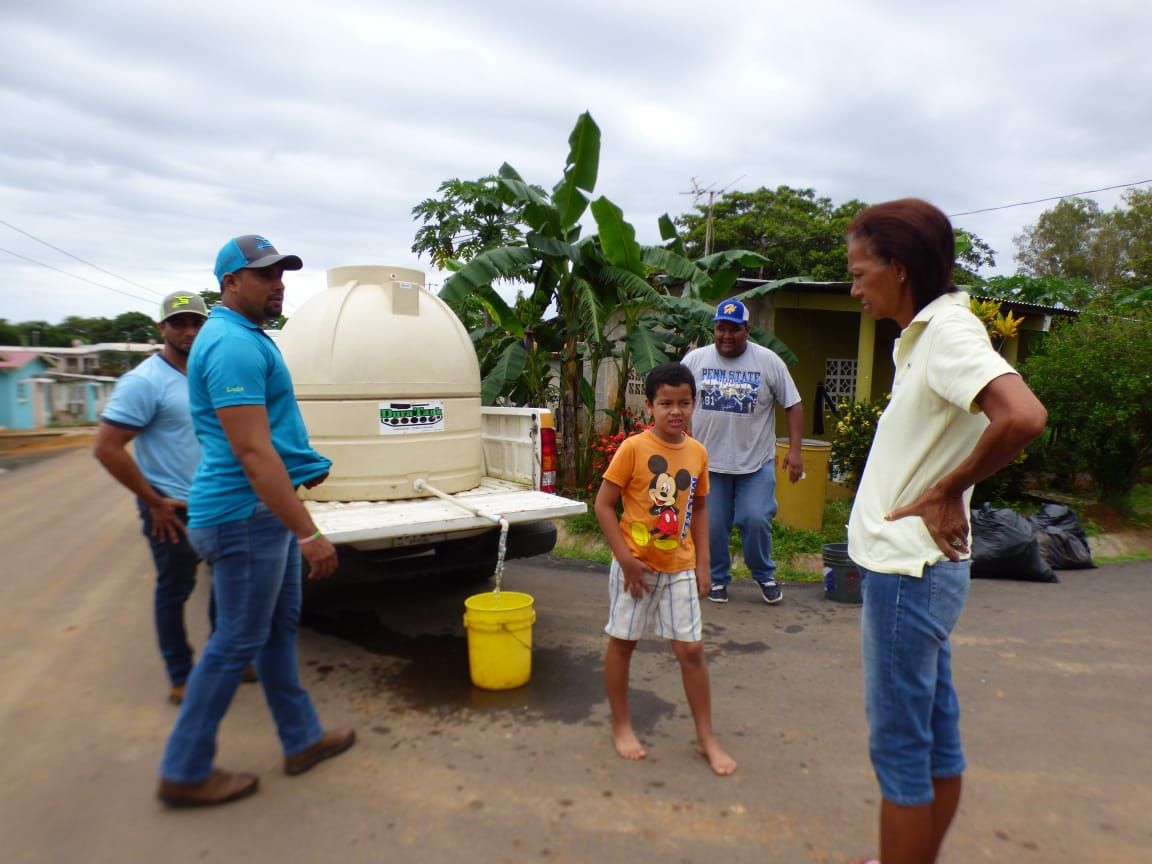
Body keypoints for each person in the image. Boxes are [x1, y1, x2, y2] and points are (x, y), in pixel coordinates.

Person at [844, 200, 1047, 864]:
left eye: (860, 271)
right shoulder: (924, 339)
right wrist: (945, 484)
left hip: (908, 575)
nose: (854, 288)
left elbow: (1021, 415)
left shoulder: (946, 335)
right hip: (918, 570)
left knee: (901, 748)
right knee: (934, 736)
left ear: (898, 269)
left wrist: (950, 488)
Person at [156, 235, 353, 808]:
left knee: (274, 628)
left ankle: (301, 739)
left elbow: (268, 438)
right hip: (244, 516)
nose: (278, 283)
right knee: (235, 640)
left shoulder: (244, 338)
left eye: (281, 273)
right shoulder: (233, 345)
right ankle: (184, 768)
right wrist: (308, 533)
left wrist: (303, 466)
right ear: (230, 283)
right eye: (263, 274)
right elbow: (251, 453)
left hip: (258, 511)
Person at [594, 361, 736, 777]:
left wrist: (705, 565)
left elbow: (702, 506)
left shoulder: (697, 452)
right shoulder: (633, 449)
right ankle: (621, 726)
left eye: (684, 403)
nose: (676, 411)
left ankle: (706, 737)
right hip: (635, 568)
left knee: (691, 650)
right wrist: (624, 558)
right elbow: (604, 504)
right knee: (623, 642)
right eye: (666, 403)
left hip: (680, 566)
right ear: (649, 406)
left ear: (694, 405)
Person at [95, 292, 211, 705]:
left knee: (226, 584)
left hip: (215, 502)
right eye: (179, 323)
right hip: (171, 506)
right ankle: (181, 675)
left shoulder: (206, 373)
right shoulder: (145, 381)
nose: (189, 331)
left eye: (196, 322)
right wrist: (152, 501)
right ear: (162, 328)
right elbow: (107, 448)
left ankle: (225, 661)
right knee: (175, 589)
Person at [682, 299, 804, 605]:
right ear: (714, 328)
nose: (726, 335)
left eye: (734, 329)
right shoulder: (695, 361)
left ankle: (764, 574)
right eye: (721, 328)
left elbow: (793, 404)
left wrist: (796, 451)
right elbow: (675, 399)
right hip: (708, 463)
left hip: (755, 461)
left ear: (747, 330)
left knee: (755, 519)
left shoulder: (769, 362)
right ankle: (719, 578)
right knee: (713, 525)